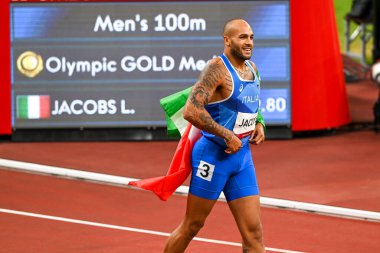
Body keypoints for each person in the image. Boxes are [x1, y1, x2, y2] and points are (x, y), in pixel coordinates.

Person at [163, 19, 266, 253]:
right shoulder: (217, 70)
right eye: (242, 37)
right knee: (193, 225)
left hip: (241, 160)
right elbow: (191, 110)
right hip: (212, 158)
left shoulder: (253, 69)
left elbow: (250, 102)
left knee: (254, 233)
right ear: (227, 40)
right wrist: (226, 134)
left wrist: (259, 121)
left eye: (251, 37)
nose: (248, 42)